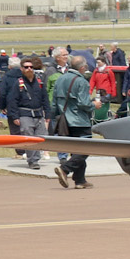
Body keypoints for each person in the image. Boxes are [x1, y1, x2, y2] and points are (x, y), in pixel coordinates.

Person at [51, 58, 94, 188]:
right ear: (81, 67)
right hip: (79, 121)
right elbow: (84, 103)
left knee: (76, 150)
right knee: (86, 148)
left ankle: (80, 180)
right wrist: (94, 105)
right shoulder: (82, 82)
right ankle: (65, 169)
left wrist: (54, 118)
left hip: (64, 120)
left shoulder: (60, 79)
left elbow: (53, 102)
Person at [6, 58, 48, 168]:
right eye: (26, 67)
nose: (29, 69)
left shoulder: (39, 82)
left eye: (31, 67)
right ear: (22, 69)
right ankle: (32, 160)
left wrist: (48, 114)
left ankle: (36, 157)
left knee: (39, 137)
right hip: (25, 114)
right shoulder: (18, 83)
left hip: (38, 114)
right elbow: (12, 101)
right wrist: (15, 116)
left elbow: (45, 99)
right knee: (29, 137)